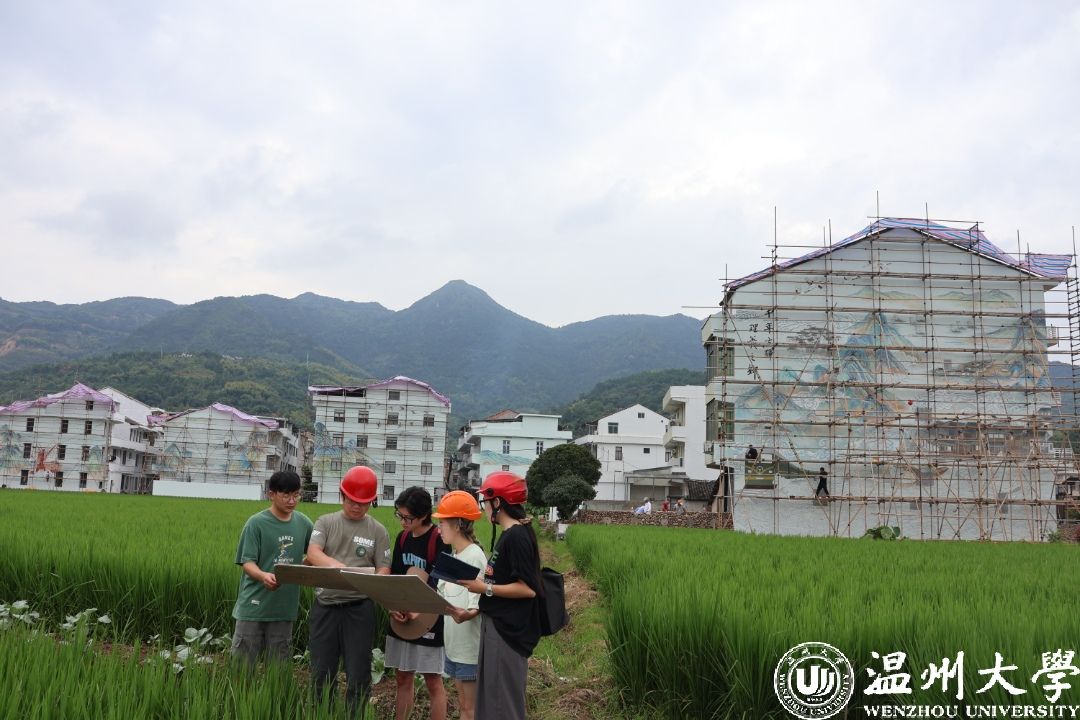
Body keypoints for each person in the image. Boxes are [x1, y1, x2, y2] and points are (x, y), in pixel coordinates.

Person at [306, 466, 391, 716]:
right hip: (326, 607)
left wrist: (374, 581)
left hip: (359, 610)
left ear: (372, 501)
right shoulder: (326, 522)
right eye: (352, 500)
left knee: (358, 671)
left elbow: (384, 568)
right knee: (321, 670)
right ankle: (323, 713)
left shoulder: (378, 530)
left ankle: (356, 714)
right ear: (342, 495)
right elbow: (313, 553)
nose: (357, 507)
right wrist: (340, 569)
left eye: (363, 503)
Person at [459, 471, 542, 720]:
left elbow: (528, 588)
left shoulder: (516, 536)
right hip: (497, 625)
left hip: (507, 632)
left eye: (485, 501)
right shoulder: (510, 534)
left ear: (497, 502)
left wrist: (485, 588)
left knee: (501, 704)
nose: (484, 507)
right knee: (492, 699)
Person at [230, 470, 313, 665]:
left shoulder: (303, 523)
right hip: (254, 606)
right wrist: (263, 576)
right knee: (242, 666)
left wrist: (300, 570)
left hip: (284, 607)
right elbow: (247, 562)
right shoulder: (256, 523)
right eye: (286, 495)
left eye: (296, 495)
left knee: (279, 667)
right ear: (271, 494)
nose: (292, 501)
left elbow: (317, 552)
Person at [386, 487, 450, 720]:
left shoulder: (438, 539)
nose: (403, 522)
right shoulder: (402, 538)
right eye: (400, 516)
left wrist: (419, 609)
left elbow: (443, 583)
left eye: (408, 518)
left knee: (433, 680)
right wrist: (393, 606)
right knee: (403, 677)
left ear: (423, 515)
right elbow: (395, 577)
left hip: (429, 618)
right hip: (402, 616)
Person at [432, 491, 487, 720]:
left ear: (457, 524)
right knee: (462, 705)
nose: (439, 529)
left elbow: (478, 605)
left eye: (442, 523)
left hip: (468, 649)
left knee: (469, 708)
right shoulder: (454, 555)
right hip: (454, 645)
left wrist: (466, 614)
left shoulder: (475, 556)